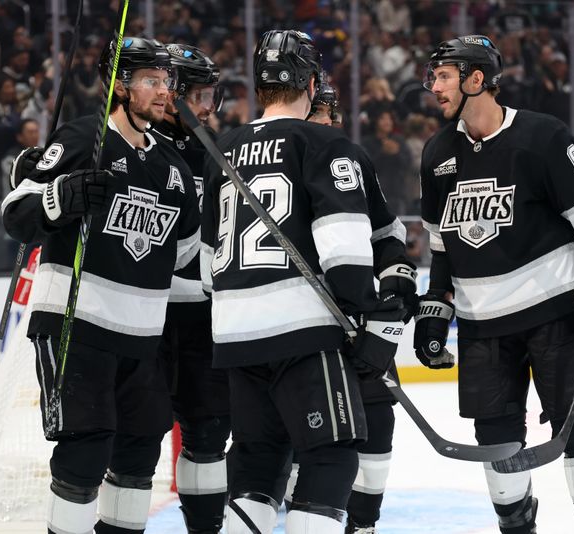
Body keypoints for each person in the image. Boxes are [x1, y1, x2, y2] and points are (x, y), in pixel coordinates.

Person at [416, 35, 574, 534]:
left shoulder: (542, 136)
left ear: (476, 80)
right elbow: (442, 246)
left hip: (555, 315)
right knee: (495, 439)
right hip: (481, 327)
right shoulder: (437, 154)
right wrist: (436, 305)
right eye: (433, 77)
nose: (434, 87)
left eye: (444, 76)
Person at [201, 30, 407, 534]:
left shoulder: (222, 150)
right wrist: (366, 315)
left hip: (234, 334)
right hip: (302, 334)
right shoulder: (322, 141)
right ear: (312, 83)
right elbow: (344, 249)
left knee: (257, 466)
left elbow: (209, 267)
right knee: (332, 456)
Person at [1, 37, 200, 534]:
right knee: (86, 450)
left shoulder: (173, 167)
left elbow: (185, 252)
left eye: (167, 82)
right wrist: (59, 196)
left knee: (138, 454)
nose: (164, 92)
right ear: (120, 85)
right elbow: (16, 213)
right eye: (151, 81)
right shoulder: (82, 138)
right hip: (76, 326)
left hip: (141, 339)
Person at [296, 80, 416, 534]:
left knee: (379, 416)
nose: (329, 121)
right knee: (299, 435)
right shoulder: (283, 160)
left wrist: (397, 275)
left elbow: (386, 234)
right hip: (302, 321)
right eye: (320, 112)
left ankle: (363, 523)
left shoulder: (352, 160)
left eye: (333, 112)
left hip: (358, 315)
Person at [152, 43, 228, 534]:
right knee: (132, 434)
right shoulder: (133, 144)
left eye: (212, 97)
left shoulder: (215, 153)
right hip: (144, 316)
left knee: (206, 435)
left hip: (203, 317)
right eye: (201, 95)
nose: (208, 108)